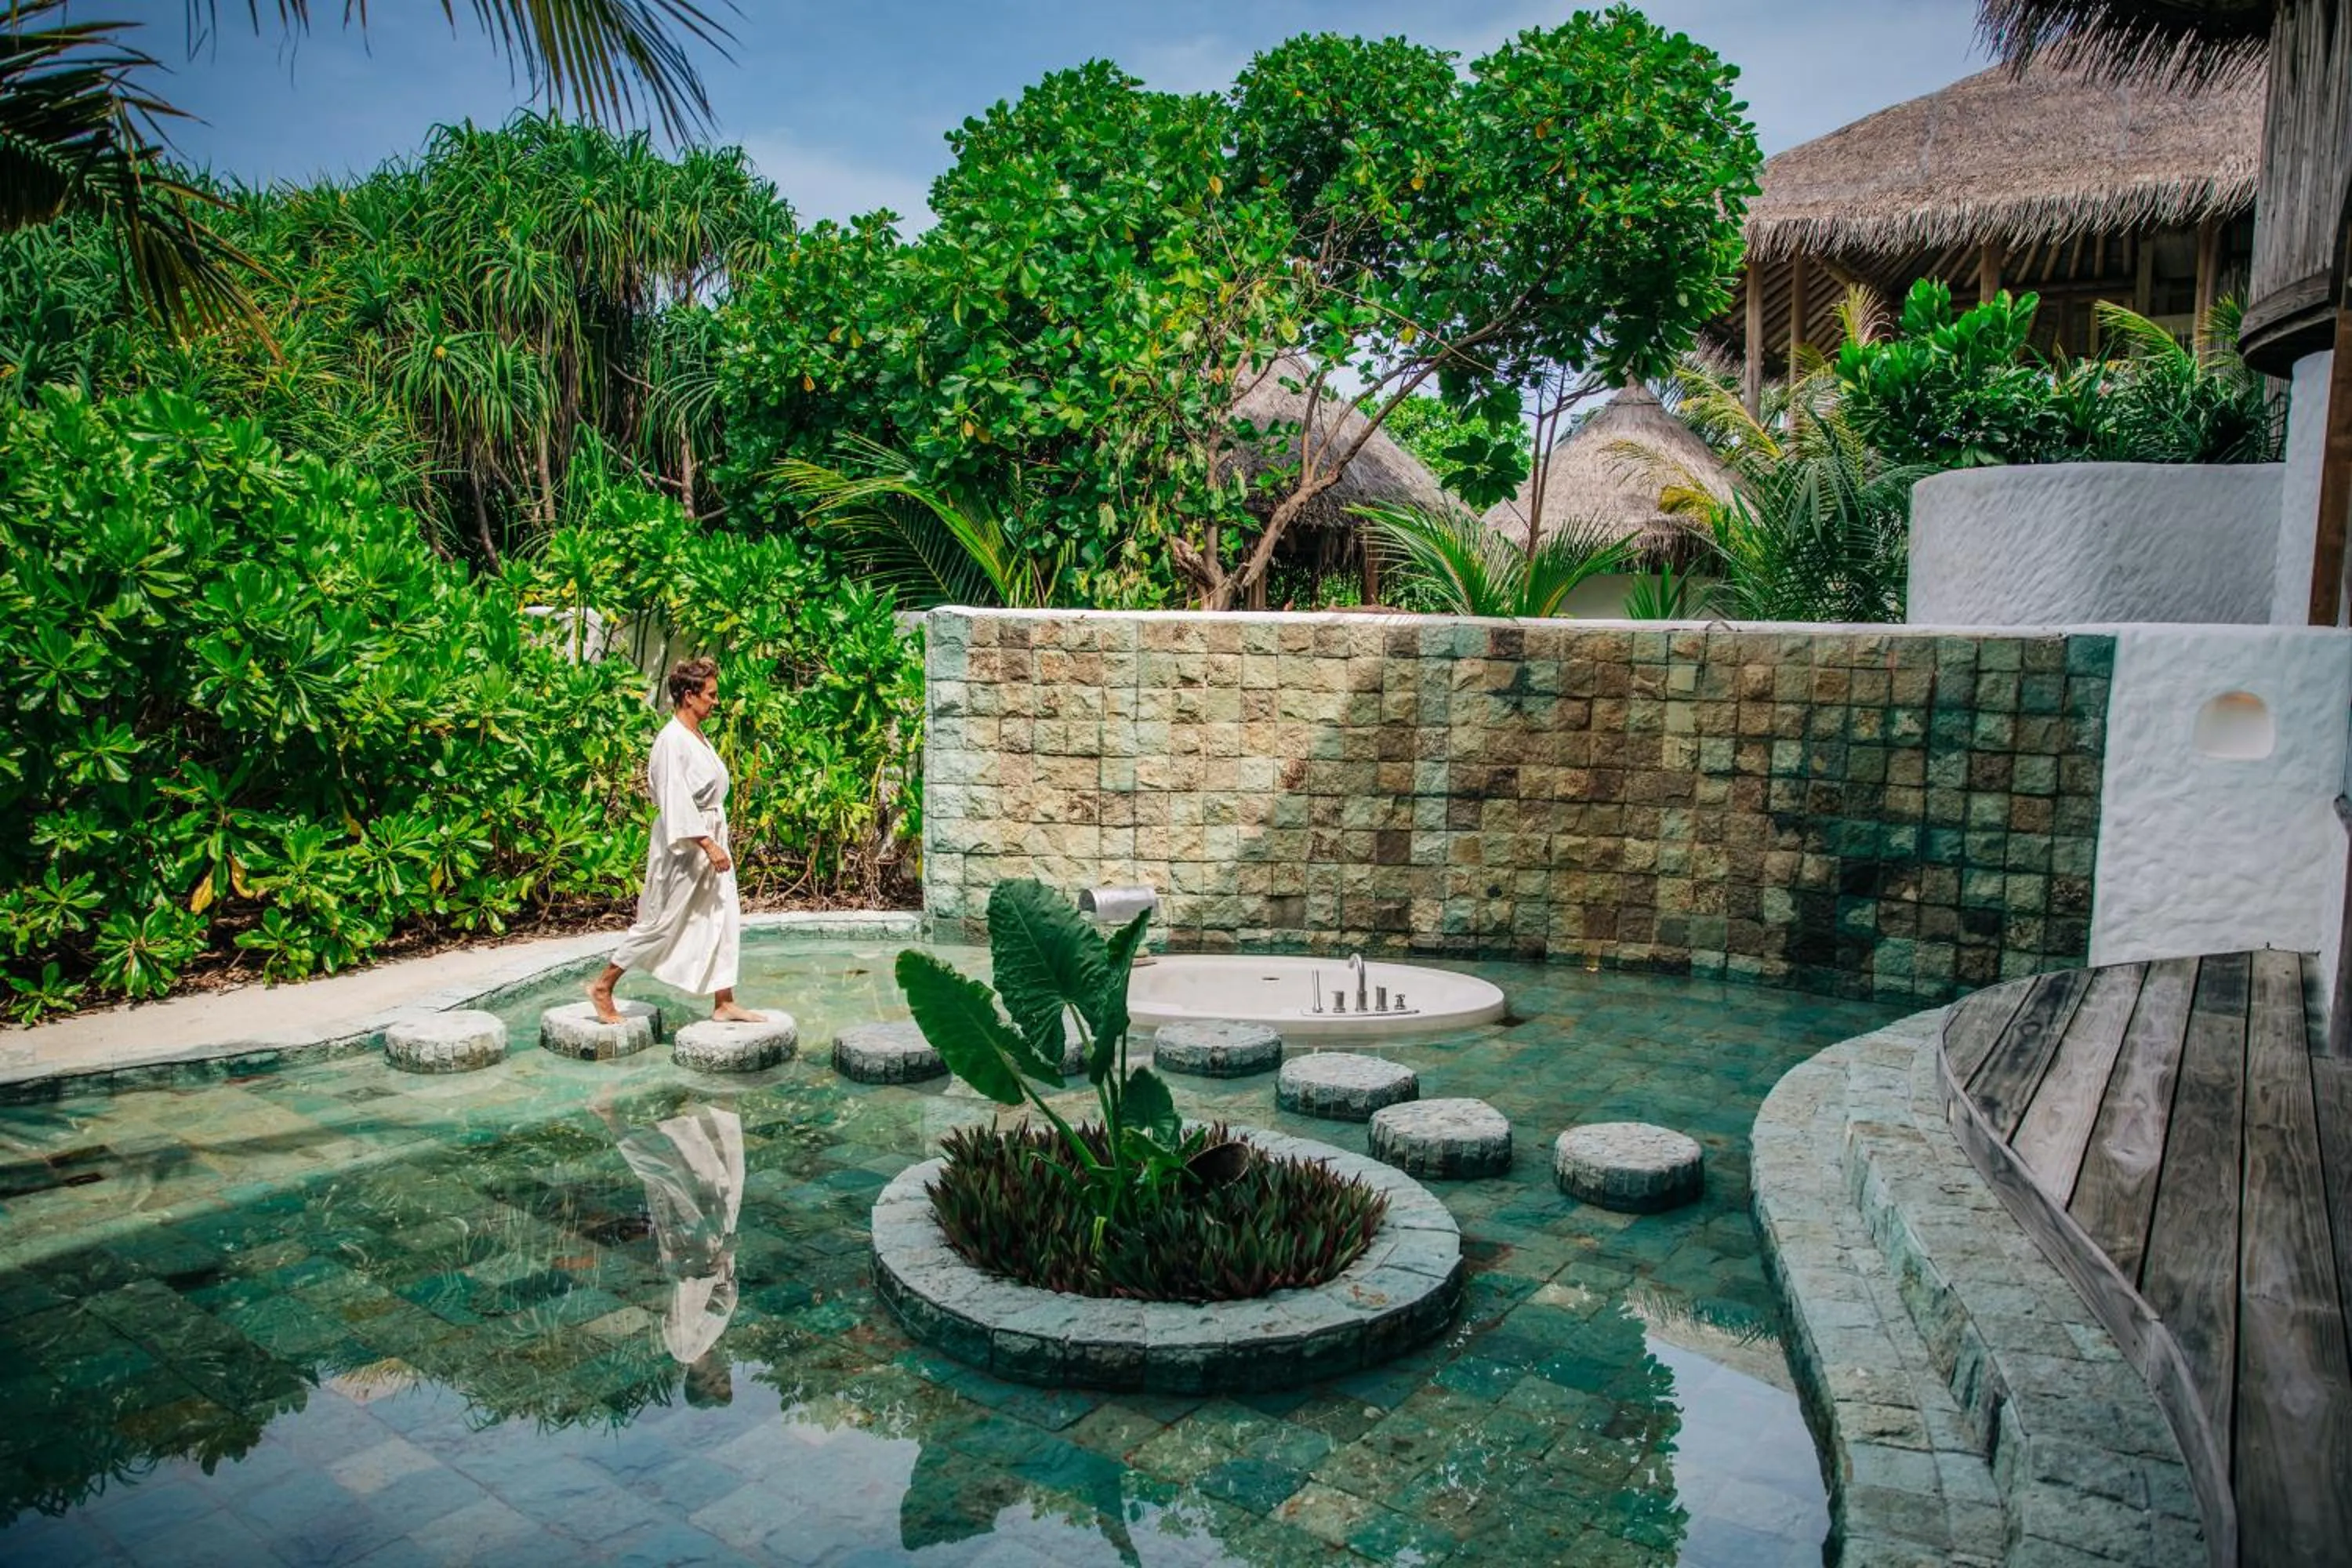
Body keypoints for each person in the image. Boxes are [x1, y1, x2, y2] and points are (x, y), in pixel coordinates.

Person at [587, 656, 763, 1024]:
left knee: (723, 914)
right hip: (685, 847)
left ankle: (724, 1001)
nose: (716, 702)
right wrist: (707, 843)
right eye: (710, 695)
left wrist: (717, 840)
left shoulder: (697, 735)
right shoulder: (671, 741)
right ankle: (603, 987)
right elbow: (674, 799)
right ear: (689, 695)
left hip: (711, 836)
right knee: (660, 922)